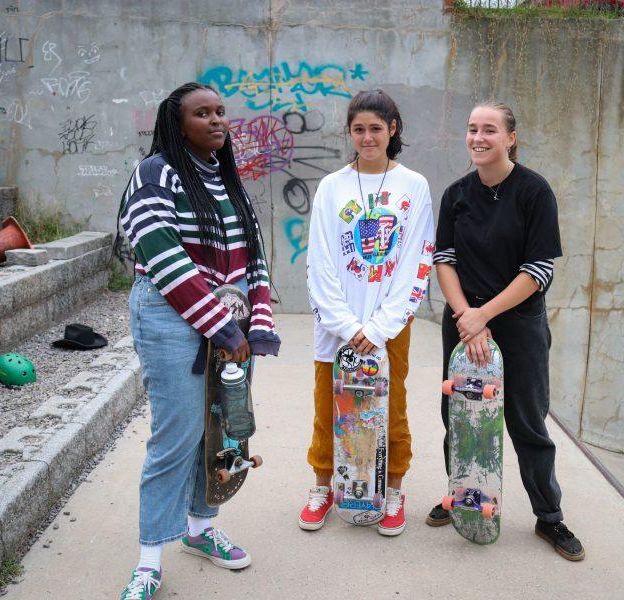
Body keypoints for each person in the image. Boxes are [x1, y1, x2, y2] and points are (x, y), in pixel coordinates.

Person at [117, 82, 280, 599]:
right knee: (178, 434)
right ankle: (148, 559)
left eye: (221, 112)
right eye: (201, 113)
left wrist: (256, 325)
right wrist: (224, 328)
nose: (216, 121)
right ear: (176, 122)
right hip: (169, 316)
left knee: (219, 431)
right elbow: (165, 259)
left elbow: (253, 259)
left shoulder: (228, 180)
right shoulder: (155, 174)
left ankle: (199, 527)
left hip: (224, 325)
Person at [427, 101, 584, 561]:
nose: (478, 138)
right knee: (458, 419)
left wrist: (484, 316)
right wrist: (466, 319)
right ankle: (463, 496)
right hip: (464, 324)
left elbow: (538, 269)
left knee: (526, 422)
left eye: (489, 130)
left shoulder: (534, 192)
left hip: (516, 326)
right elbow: (444, 261)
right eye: (472, 129)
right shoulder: (457, 193)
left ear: (510, 138)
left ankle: (549, 517)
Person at [300, 90, 435, 536]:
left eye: (376, 128)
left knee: (390, 411)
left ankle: (392, 492)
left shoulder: (413, 186)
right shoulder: (332, 187)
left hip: (389, 327)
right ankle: (324, 488)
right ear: (350, 132)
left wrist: (378, 328)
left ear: (392, 129)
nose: (367, 136)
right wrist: (346, 325)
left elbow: (418, 258)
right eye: (359, 129)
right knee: (328, 409)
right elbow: (318, 260)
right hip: (336, 328)